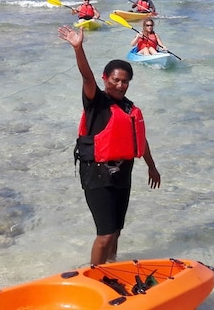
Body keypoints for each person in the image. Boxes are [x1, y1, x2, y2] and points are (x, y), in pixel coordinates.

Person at [58, 25, 161, 265]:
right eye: (116, 80)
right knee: (105, 234)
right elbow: (87, 77)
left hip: (122, 173)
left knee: (116, 231)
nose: (120, 85)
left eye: (125, 82)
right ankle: (95, 275)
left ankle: (112, 268)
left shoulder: (129, 108)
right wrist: (78, 48)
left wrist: (151, 166)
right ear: (106, 79)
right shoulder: (97, 102)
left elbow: (140, 139)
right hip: (97, 173)